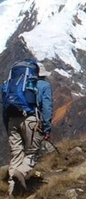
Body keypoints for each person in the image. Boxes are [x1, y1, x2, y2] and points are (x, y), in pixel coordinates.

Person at [3, 59, 53, 195]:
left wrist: (8, 127)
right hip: (31, 120)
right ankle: (22, 172)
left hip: (12, 120)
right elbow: (47, 107)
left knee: (16, 155)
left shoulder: (9, 85)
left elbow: (4, 108)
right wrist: (47, 128)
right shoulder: (43, 85)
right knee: (32, 152)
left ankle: (12, 192)